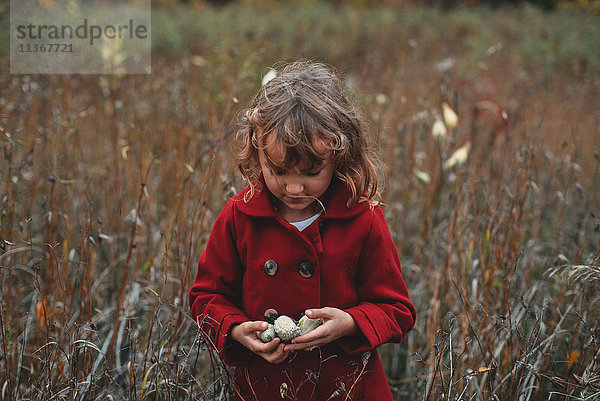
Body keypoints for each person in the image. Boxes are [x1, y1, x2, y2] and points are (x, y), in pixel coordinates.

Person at [189, 60, 416, 401]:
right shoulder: (241, 216)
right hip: (263, 385)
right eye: (279, 170)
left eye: (311, 172)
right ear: (257, 152)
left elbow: (397, 310)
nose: (294, 188)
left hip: (346, 387)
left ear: (339, 156)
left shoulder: (361, 218)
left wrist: (350, 322)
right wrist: (237, 330)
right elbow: (206, 298)